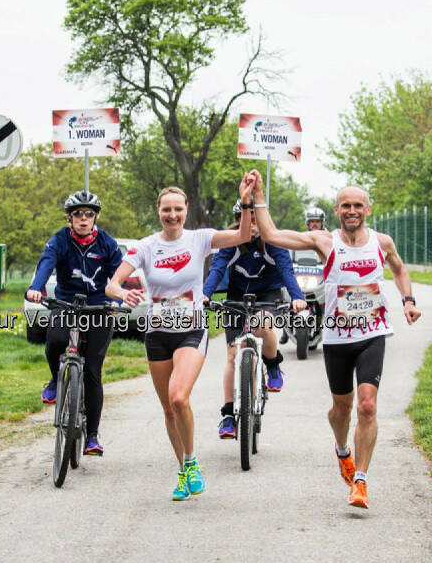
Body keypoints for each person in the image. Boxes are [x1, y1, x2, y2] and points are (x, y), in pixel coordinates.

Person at [245, 170, 421, 509]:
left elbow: (399, 269)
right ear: (337, 210)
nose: (351, 210)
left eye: (357, 205)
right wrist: (259, 195)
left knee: (367, 407)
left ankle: (361, 482)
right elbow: (270, 233)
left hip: (373, 333)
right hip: (338, 339)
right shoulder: (324, 242)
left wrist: (408, 300)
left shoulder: (382, 243)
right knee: (342, 408)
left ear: (368, 209)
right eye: (345, 206)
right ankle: (342, 450)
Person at [106, 178, 255, 501]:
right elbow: (112, 284)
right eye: (166, 210)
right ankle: (184, 467)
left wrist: (245, 202)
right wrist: (122, 293)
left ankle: (191, 464)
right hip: (157, 333)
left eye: (177, 209)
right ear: (158, 211)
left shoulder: (200, 239)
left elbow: (244, 235)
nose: (172, 215)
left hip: (191, 329)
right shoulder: (145, 246)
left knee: (178, 398)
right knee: (168, 410)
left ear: (186, 210)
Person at [26, 191, 123, 457]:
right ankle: (56, 380)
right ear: (70, 217)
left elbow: (119, 274)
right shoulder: (59, 240)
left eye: (89, 214)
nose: (83, 218)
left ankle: (92, 436)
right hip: (67, 303)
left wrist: (117, 299)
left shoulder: (107, 243)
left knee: (92, 370)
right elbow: (45, 265)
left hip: (99, 306)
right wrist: (36, 288)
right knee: (55, 340)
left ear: (95, 217)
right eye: (78, 214)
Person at [202, 199, 306, 440]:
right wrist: (205, 295)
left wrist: (297, 298)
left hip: (268, 294)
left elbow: (286, 271)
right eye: (245, 217)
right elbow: (217, 269)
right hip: (237, 296)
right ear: (240, 220)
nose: (252, 223)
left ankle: (272, 364)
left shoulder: (274, 242)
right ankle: (228, 415)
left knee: (263, 324)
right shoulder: (231, 242)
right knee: (231, 354)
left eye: (256, 218)